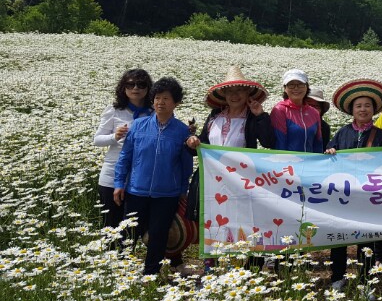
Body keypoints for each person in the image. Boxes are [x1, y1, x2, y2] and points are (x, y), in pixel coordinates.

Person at [185, 67, 274, 271]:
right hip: (212, 180)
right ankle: (212, 268)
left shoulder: (253, 117)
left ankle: (248, 268)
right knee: (213, 221)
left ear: (248, 93)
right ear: (223, 95)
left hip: (240, 180)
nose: (234, 95)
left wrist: (260, 115)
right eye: (229, 91)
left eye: (239, 90)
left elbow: (269, 141)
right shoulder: (215, 116)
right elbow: (201, 145)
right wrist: (192, 142)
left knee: (244, 221)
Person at [113, 77, 193, 276]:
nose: (160, 102)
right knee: (129, 233)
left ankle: (151, 275)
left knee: (158, 235)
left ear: (176, 103)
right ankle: (121, 272)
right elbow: (125, 157)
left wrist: (183, 190)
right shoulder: (138, 126)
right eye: (157, 98)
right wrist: (119, 183)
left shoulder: (182, 131)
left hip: (167, 194)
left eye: (166, 98)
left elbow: (186, 165)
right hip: (136, 190)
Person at [326, 79, 382, 293]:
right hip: (344, 193)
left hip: (368, 194)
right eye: (359, 106)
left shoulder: (380, 135)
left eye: (367, 106)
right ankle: (337, 277)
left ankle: (366, 281)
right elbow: (329, 154)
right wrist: (330, 152)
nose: (363, 109)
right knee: (340, 236)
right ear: (352, 110)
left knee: (367, 238)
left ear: (373, 110)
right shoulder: (342, 133)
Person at [94, 69, 153, 232]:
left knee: (133, 228)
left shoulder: (154, 112)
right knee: (111, 226)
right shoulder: (114, 110)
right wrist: (114, 136)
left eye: (141, 84)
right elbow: (97, 140)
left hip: (141, 178)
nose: (136, 88)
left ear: (148, 88)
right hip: (112, 176)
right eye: (130, 84)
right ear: (123, 88)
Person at [268, 69, 323, 152]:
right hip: (288, 160)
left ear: (307, 87)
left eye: (300, 84)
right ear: (285, 88)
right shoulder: (279, 110)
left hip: (310, 160)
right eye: (291, 85)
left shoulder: (314, 112)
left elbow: (318, 144)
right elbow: (280, 144)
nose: (296, 88)